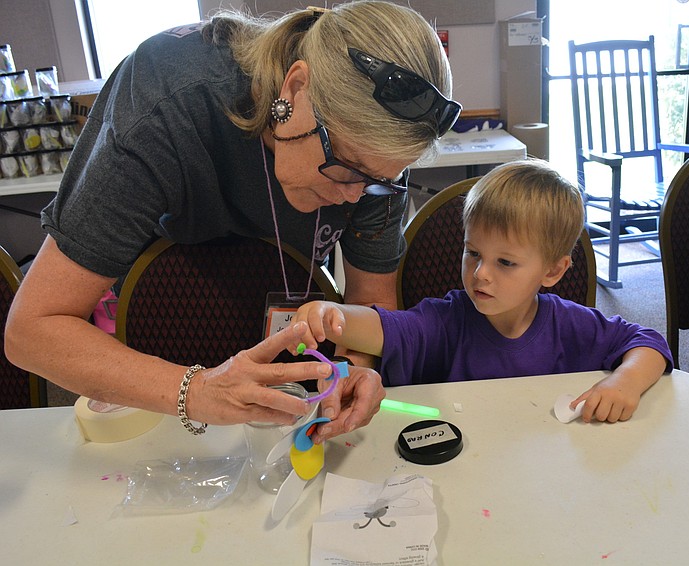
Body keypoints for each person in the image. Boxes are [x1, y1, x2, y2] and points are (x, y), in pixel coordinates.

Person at [4, 1, 461, 441]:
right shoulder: (167, 98)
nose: (353, 195)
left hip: (292, 357)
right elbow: (31, 331)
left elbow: (372, 305)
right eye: (347, 166)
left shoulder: (374, 157)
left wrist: (358, 368)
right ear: (296, 88)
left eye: (380, 180)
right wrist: (197, 391)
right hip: (158, 341)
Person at [293, 160, 672, 423]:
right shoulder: (446, 320)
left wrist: (624, 382)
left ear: (553, 271)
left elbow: (649, 342)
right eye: (473, 253)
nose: (480, 274)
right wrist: (334, 315)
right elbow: (386, 328)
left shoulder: (568, 323)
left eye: (505, 263)